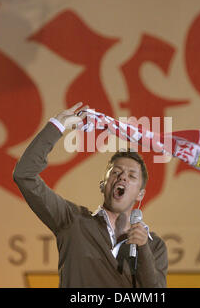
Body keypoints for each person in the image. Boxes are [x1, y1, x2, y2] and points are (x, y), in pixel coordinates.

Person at [13, 102, 168, 288]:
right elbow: (24, 175)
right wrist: (56, 126)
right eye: (116, 172)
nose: (123, 178)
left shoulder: (154, 245)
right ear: (103, 185)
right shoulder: (72, 221)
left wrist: (142, 248)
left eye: (131, 176)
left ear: (140, 194)